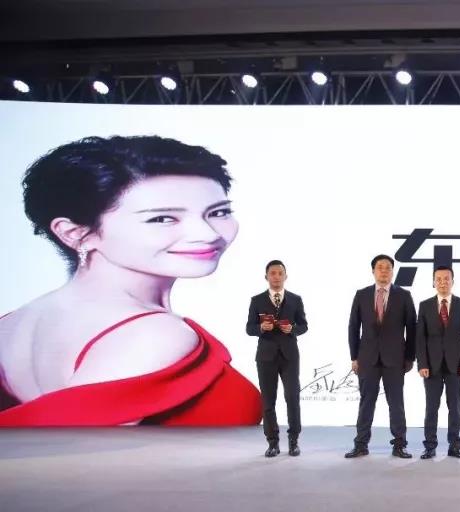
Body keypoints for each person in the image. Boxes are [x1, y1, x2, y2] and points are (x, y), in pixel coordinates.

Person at [0, 135, 261, 426]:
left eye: (219, 212)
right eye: (162, 218)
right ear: (76, 233)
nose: (208, 234)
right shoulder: (154, 334)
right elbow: (69, 452)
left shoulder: (12, 324)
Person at [345, 255, 417, 459]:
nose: (384, 271)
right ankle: (361, 444)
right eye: (380, 267)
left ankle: (400, 445)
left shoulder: (403, 295)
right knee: (366, 402)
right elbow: (353, 327)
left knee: (396, 403)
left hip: (395, 359)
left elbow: (412, 328)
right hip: (367, 358)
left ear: (393, 271)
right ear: (373, 271)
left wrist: (410, 357)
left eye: (388, 267)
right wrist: (354, 357)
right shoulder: (361, 295)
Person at [246, 260, 308, 457]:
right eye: (272, 273)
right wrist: (260, 328)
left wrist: (293, 329)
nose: (276, 276)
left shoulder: (295, 299)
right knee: (268, 400)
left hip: (289, 356)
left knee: (292, 397)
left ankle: (294, 440)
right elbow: (249, 328)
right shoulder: (257, 300)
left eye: (280, 273)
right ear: (266, 277)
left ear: (285, 276)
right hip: (266, 356)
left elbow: (304, 326)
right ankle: (272, 442)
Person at [416, 266, 460, 460]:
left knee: (454, 407)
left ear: (452, 281)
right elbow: (420, 338)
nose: (442, 282)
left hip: (456, 365)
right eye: (438, 279)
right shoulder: (424, 305)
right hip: (431, 366)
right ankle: (429, 446)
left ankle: (455, 446)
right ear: (433, 282)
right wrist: (422, 363)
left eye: (446, 278)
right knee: (431, 407)